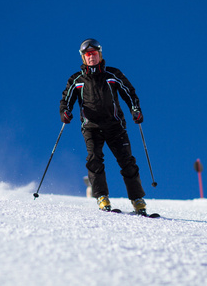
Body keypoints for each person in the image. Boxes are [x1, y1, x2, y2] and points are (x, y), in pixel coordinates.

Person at [59, 38, 148, 215]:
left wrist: (135, 110)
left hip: (115, 125)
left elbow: (129, 92)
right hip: (91, 126)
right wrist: (65, 112)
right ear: (83, 58)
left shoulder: (112, 75)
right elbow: (66, 99)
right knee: (94, 159)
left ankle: (137, 199)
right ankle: (102, 197)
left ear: (100, 55)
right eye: (87, 55)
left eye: (94, 54)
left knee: (127, 161)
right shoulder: (77, 79)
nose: (91, 58)